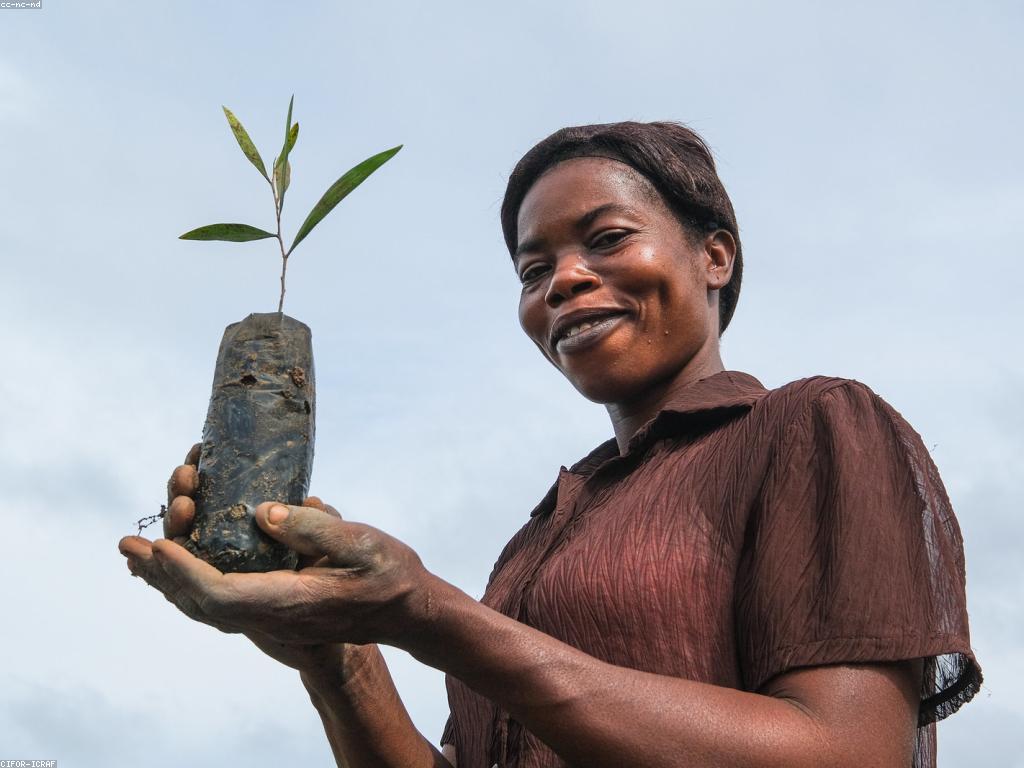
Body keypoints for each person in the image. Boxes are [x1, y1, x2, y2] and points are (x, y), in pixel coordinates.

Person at [118, 121, 981, 768]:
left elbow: (846, 754)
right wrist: (339, 655)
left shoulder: (813, 427)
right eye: (534, 271)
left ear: (715, 255)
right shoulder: (538, 539)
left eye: (606, 239)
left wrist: (429, 614)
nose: (563, 279)